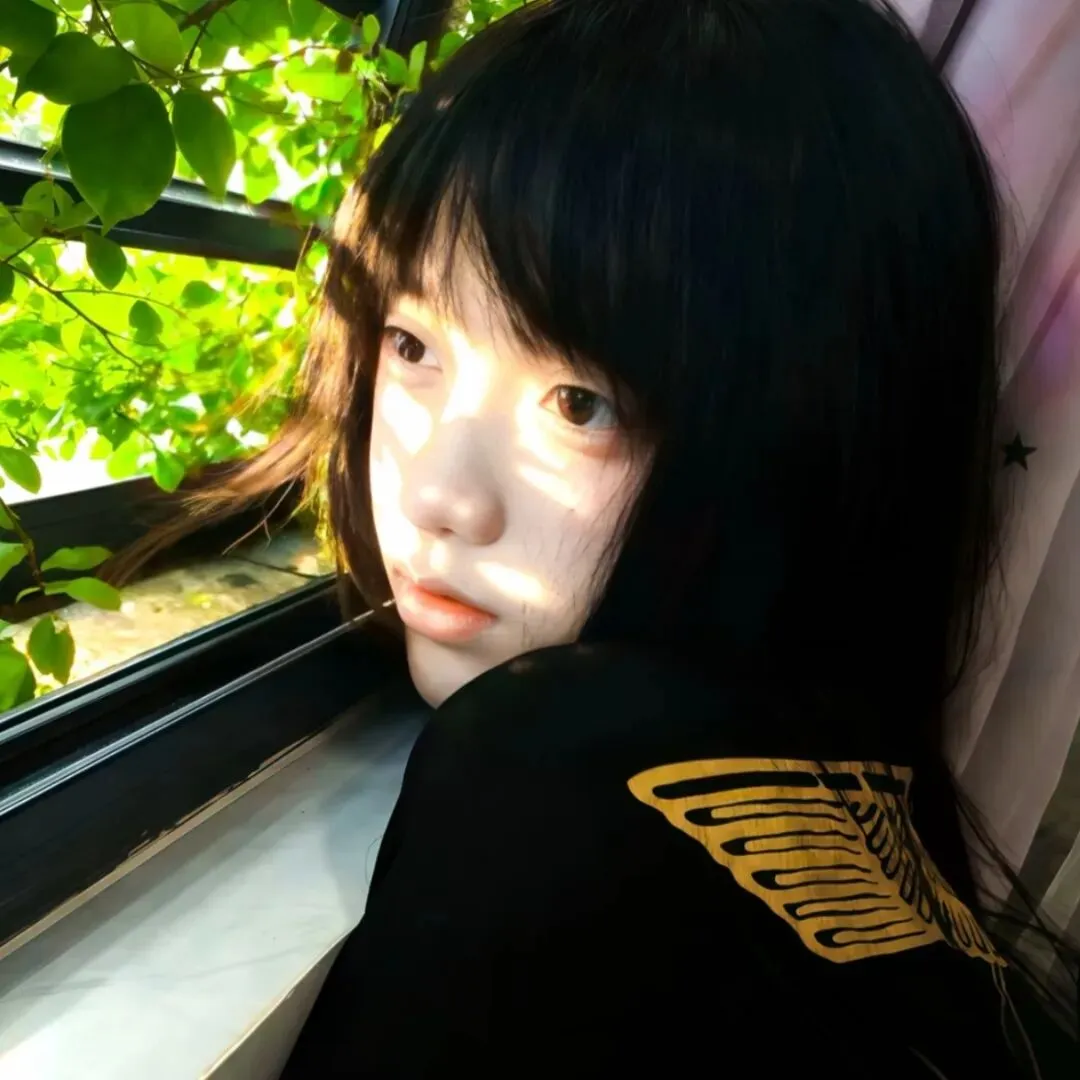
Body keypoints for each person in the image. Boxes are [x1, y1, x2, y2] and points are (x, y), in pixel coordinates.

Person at [119, 0, 1080, 1074]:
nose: (440, 496)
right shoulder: (876, 818)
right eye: (411, 344)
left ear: (807, 442)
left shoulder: (548, 759)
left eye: (581, 405)